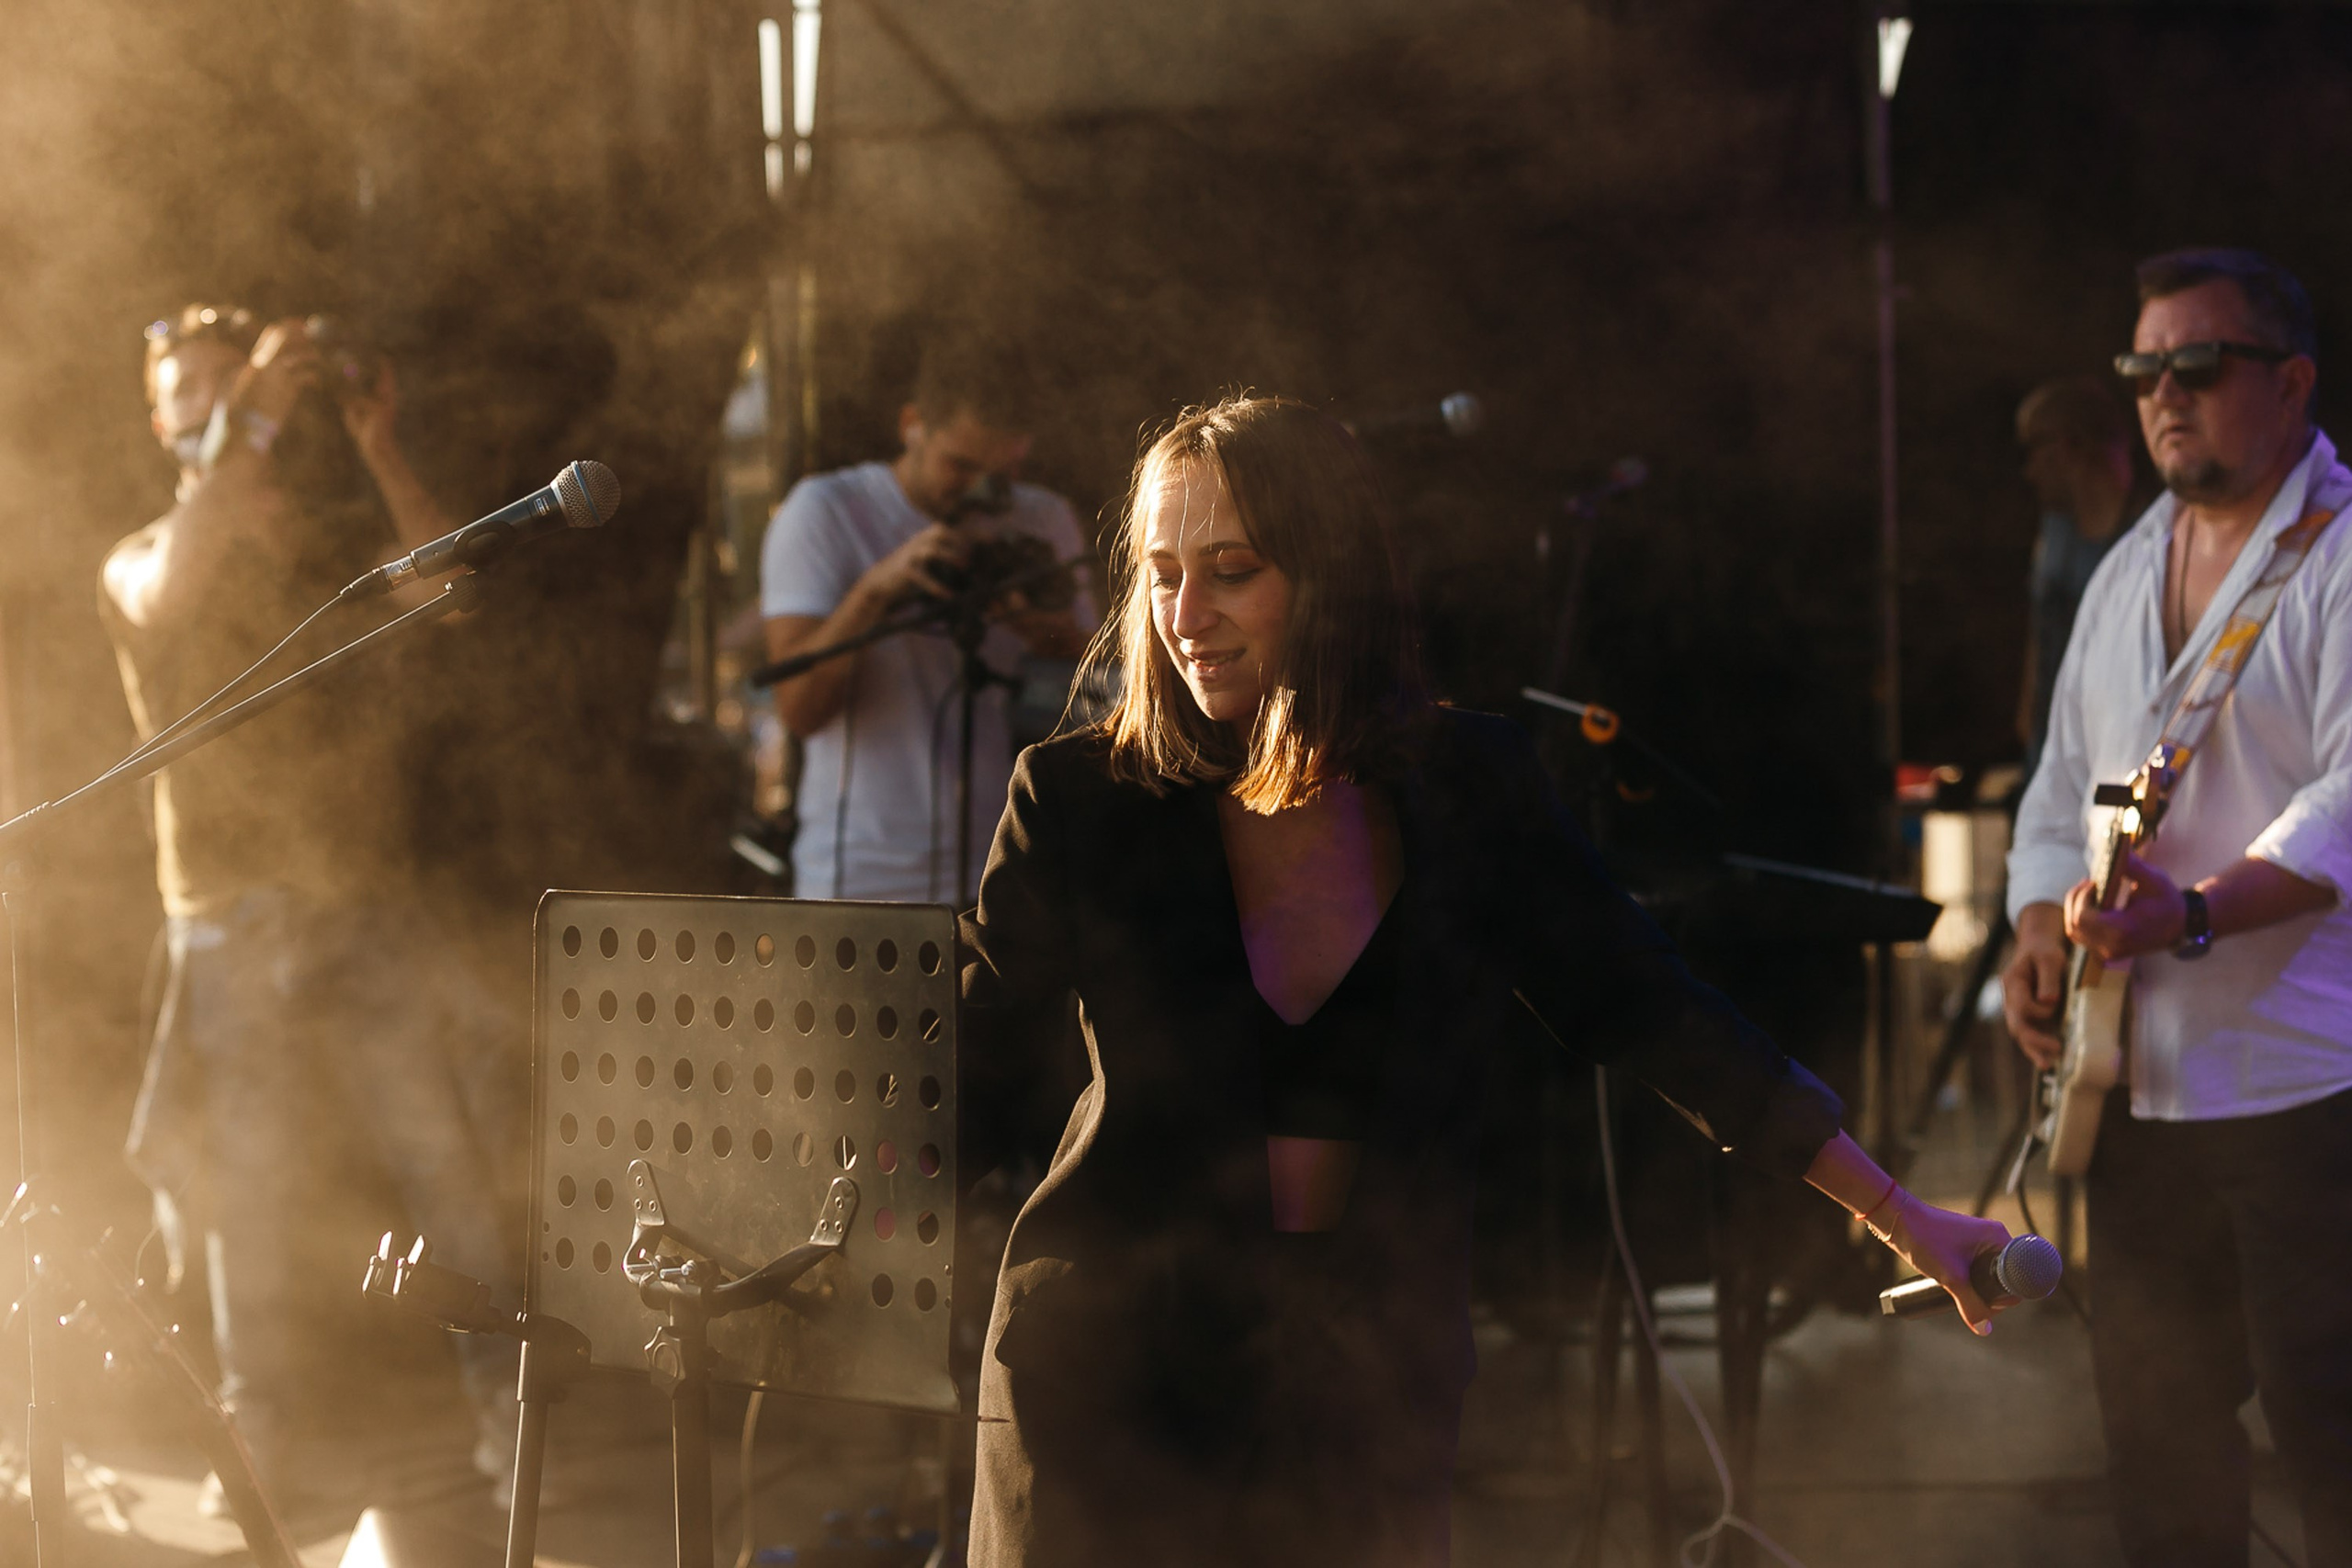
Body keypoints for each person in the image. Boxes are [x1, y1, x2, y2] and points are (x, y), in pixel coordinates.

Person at [956, 395, 2012, 1568]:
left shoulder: (1473, 787)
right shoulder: (1080, 802)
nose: (1184, 617)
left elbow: (1654, 1011)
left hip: (1363, 1378)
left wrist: (1896, 1213)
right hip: (1104, 1382)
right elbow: (958, 1080)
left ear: (1330, 573)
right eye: (1160, 575)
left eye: (1231, 570)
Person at [101, 306, 522, 1507]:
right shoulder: (140, 552)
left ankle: (511, 1429)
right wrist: (260, 419)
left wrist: (377, 444)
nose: (226, 407)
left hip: (360, 908)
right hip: (230, 920)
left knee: (446, 1172)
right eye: (196, 391)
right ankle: (262, 1461)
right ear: (161, 418)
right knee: (251, 1207)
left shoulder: (326, 542)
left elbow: (451, 581)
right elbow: (169, 592)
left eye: (238, 384)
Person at [2002, 249, 2352, 1567]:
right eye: (2142, 368)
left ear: (2291, 381)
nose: (2164, 393)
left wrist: (2191, 914)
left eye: (2197, 365)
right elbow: (2056, 793)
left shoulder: (2342, 552)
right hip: (2137, 1081)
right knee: (2160, 1456)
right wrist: (2044, 933)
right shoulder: (2123, 565)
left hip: (2308, 1092)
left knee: (2334, 1442)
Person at [760, 336, 1096, 902]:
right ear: (911, 424)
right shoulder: (827, 510)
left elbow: (1101, 697)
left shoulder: (1042, 517)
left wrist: (1041, 628)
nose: (979, 492)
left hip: (1008, 867)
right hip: (863, 880)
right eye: (959, 465)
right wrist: (874, 592)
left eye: (1001, 475)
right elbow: (798, 709)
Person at [2016, 374, 2135, 778]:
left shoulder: (2146, 538)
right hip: (2051, 750)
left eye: (2036, 449)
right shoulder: (2055, 532)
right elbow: (2042, 636)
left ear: (2072, 445)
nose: (2030, 471)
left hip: (2114, 750)